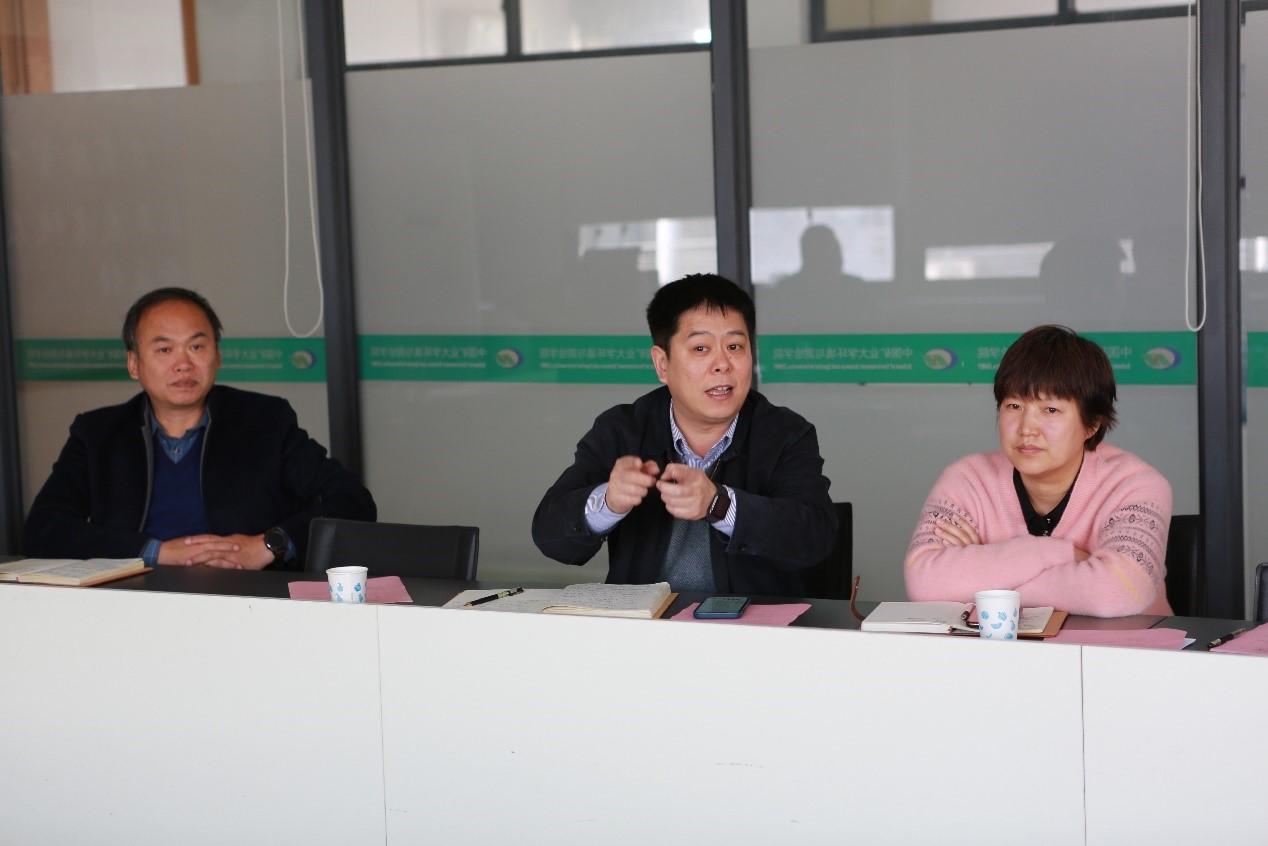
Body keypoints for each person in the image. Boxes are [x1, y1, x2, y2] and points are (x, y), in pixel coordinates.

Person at [24, 287, 376, 570]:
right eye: (164, 349)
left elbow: (352, 501)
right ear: (134, 364)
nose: (183, 364)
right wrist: (156, 552)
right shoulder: (98, 434)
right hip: (132, 600)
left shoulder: (265, 421)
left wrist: (271, 544)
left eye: (196, 346)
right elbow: (44, 528)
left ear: (217, 356)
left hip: (247, 600)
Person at [532, 273, 837, 597]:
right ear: (662, 364)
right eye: (701, 348)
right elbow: (550, 537)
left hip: (749, 625)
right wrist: (609, 500)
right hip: (644, 624)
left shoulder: (785, 433)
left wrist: (719, 504)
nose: (722, 364)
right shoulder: (623, 429)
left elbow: (815, 537)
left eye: (735, 346)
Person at [904, 324, 1172, 617]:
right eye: (1014, 405)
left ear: (1092, 425)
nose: (1027, 429)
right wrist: (1065, 555)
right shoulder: (967, 480)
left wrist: (982, 570)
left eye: (1050, 410)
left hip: (1123, 646)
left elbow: (1117, 592)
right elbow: (924, 583)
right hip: (1003, 646)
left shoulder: (1136, 485)